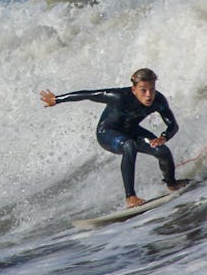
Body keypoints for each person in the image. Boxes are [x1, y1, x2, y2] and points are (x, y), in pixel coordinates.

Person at [40, 68, 189, 209]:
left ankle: (172, 183)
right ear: (134, 89)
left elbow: (173, 125)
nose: (149, 95)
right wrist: (57, 99)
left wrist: (164, 137)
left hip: (132, 131)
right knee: (129, 145)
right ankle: (130, 197)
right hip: (107, 133)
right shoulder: (119, 97)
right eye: (143, 90)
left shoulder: (158, 100)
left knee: (162, 150)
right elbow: (89, 95)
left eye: (152, 89)